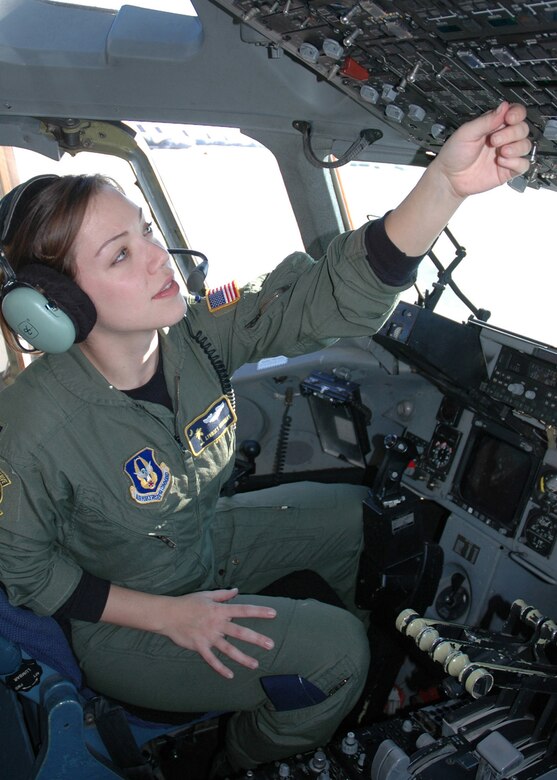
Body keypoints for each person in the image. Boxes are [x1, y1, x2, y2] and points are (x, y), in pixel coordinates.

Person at [0, 102, 531, 771]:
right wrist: (171, 619)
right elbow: (27, 573)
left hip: (201, 543)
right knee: (338, 654)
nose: (159, 259)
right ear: (57, 308)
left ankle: (322, 690)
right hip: (124, 624)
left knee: (356, 519)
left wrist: (444, 186)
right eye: (121, 255)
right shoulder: (30, 425)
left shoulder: (195, 334)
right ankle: (247, 758)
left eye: (145, 232)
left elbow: (326, 293)